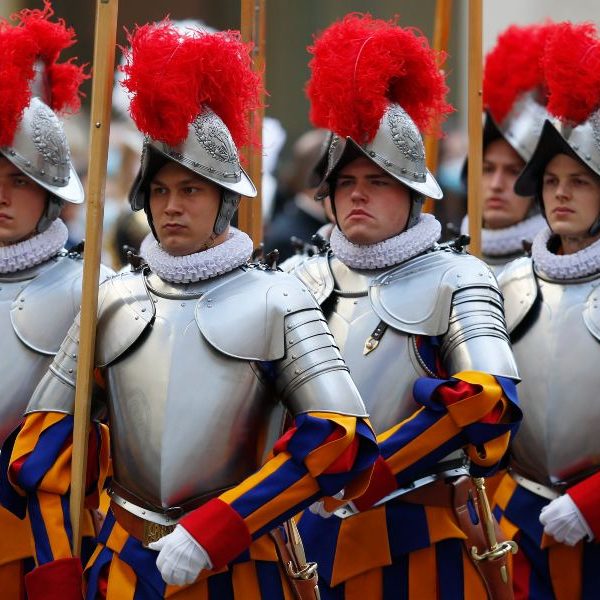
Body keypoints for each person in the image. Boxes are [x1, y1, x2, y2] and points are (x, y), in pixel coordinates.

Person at [1, 20, 377, 600]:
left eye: (192, 190)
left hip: (241, 560)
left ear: (225, 201)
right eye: (160, 191)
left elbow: (340, 437)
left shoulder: (277, 297)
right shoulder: (111, 298)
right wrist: (56, 572)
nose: (172, 206)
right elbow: (44, 449)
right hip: (122, 563)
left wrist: (224, 524)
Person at [287, 14, 522, 599]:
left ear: (415, 195)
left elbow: (489, 403)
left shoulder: (458, 276)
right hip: (301, 536)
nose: (358, 193)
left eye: (379, 179)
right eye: (345, 181)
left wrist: (365, 472)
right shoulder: (295, 280)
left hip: (418, 537)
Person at [0, 4, 112, 598]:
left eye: (20, 180)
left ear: (49, 195)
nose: (2, 195)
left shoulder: (94, 289)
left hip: (48, 540)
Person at [492, 21, 600, 599]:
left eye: (580, 181)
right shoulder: (508, 282)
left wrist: (592, 503)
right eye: (553, 180)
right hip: (520, 517)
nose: (560, 193)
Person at [461, 23, 556, 273]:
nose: (496, 184)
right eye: (488, 169)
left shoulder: (558, 266)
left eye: (514, 171)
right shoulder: (442, 264)